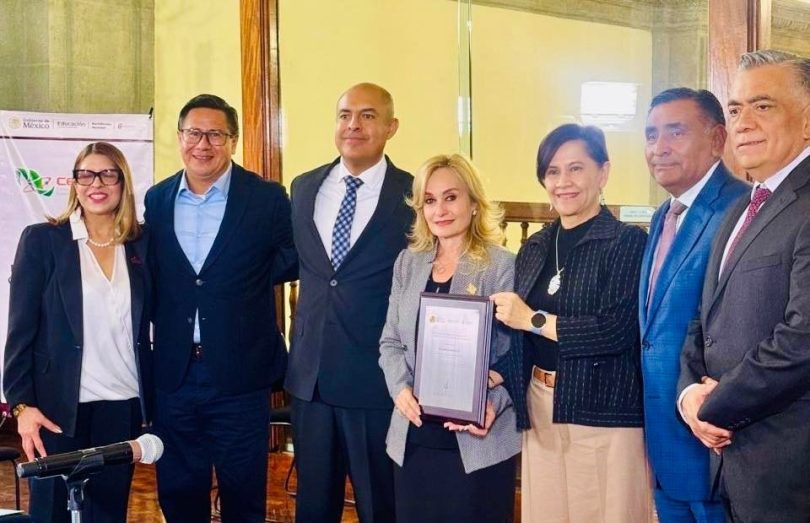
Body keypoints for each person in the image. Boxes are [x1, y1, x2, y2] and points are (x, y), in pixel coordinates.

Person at [144, 94, 297, 522]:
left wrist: (245, 279)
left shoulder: (266, 198)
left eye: (215, 134)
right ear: (179, 137)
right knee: (178, 492)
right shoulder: (157, 200)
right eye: (194, 133)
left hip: (240, 376)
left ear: (233, 140)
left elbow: (292, 257)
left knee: (243, 495)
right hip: (175, 375)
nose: (203, 144)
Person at [492, 123, 653, 522]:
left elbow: (616, 330)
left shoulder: (626, 242)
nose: (563, 182)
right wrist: (497, 375)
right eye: (552, 171)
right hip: (540, 403)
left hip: (602, 410)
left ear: (603, 173)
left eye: (576, 168)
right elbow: (517, 335)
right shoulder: (534, 247)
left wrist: (534, 319)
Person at [677, 50, 810, 522]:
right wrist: (688, 395)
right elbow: (703, 318)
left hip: (790, 470)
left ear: (807, 119)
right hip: (735, 464)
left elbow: (802, 340)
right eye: (735, 109)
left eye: (763, 106)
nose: (744, 123)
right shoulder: (741, 207)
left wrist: (715, 404)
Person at [4, 142, 153, 522]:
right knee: (52, 512)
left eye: (107, 174)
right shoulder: (43, 240)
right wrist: (21, 406)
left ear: (123, 182)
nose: (96, 184)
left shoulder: (141, 243)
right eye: (85, 175)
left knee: (107, 513)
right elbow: (20, 330)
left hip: (122, 405)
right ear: (74, 183)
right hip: (56, 410)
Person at [286, 83, 412, 522]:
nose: (353, 125)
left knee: (380, 505)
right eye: (344, 115)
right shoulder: (304, 187)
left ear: (391, 127)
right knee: (313, 507)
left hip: (376, 379)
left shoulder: (413, 195)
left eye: (368, 115)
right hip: (311, 378)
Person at [378, 154, 520, 522]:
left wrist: (493, 401)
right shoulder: (408, 262)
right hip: (414, 436)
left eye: (451, 197)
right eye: (429, 200)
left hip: (476, 440)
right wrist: (399, 389)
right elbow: (390, 341)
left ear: (474, 203)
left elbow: (516, 353)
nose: (439, 210)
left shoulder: (501, 265)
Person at [640, 88, 749, 523]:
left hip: (714, 439)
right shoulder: (662, 215)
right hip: (666, 437)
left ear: (717, 139)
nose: (659, 147)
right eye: (651, 135)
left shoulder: (741, 208)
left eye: (676, 132)